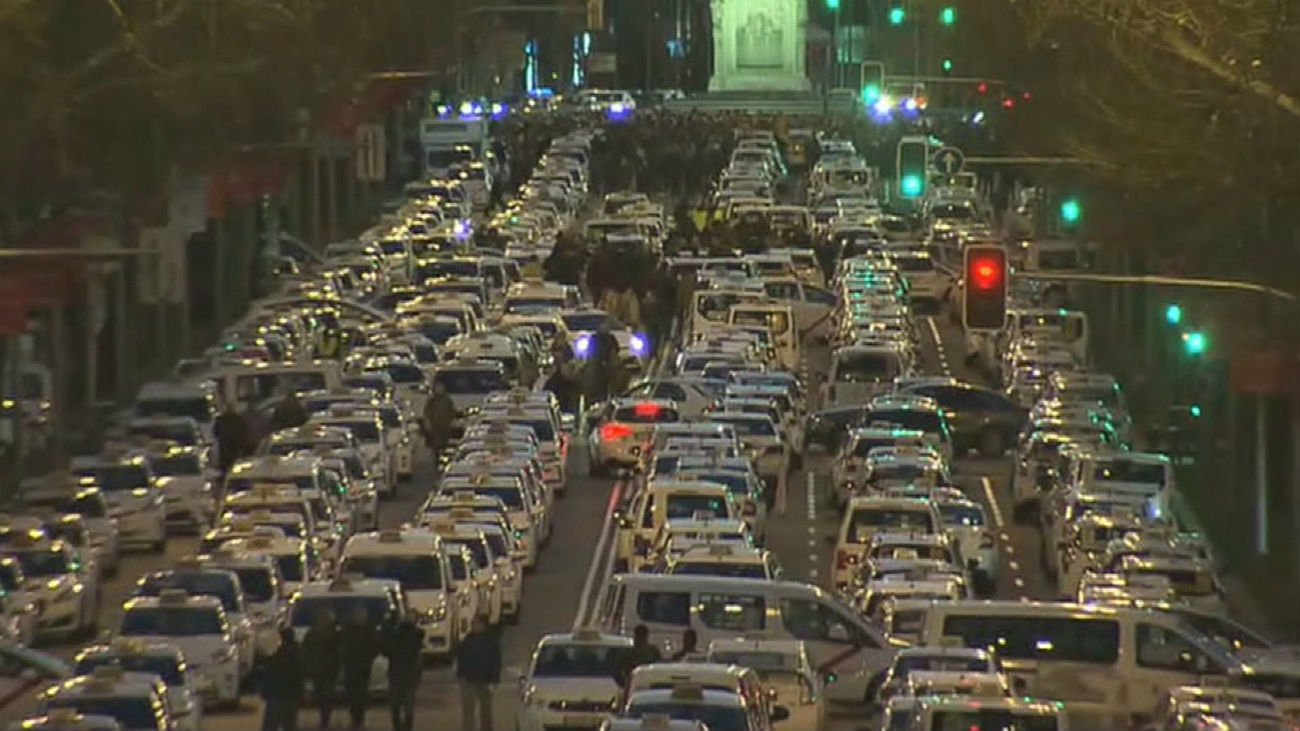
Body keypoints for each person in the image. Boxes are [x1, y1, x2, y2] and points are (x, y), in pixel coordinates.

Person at [455, 616, 500, 731]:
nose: (473, 626)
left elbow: (496, 661)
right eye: (473, 624)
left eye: (475, 624)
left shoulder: (491, 641)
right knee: (468, 710)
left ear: (482, 625)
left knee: (486, 711)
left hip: (485, 680)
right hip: (468, 679)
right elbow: (460, 656)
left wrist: (494, 681)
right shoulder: (468, 640)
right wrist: (460, 674)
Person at [340, 606, 381, 729]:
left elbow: (376, 645)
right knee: (351, 694)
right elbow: (342, 645)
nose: (359, 617)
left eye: (361, 614)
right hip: (351, 666)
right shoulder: (348, 629)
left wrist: (369, 657)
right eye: (357, 615)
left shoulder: (369, 629)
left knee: (361, 694)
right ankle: (355, 719)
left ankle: (360, 719)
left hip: (363, 666)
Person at [300, 609, 341, 729]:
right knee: (323, 697)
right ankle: (324, 720)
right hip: (321, 670)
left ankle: (325, 720)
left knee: (325, 697)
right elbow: (305, 651)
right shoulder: (313, 634)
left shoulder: (333, 634)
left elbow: (338, 652)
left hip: (326, 670)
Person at [385, 616, 424, 731]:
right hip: (410, 673)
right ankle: (407, 727)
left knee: (395, 703)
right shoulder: (416, 635)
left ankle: (397, 727)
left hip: (396, 672)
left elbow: (387, 650)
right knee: (408, 704)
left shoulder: (394, 635)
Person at [261, 628, 303, 731]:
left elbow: (269, 674)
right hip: (290, 695)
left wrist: (265, 692)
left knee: (271, 724)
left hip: (277, 694)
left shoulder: (277, 655)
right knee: (289, 724)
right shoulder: (297, 654)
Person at [422, 381, 456, 458]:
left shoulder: (447, 400)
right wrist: (427, 423)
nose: (439, 389)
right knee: (436, 445)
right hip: (435, 427)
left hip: (445, 426)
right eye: (437, 388)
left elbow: (452, 411)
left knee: (444, 444)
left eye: (440, 388)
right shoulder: (431, 400)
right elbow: (427, 413)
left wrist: (451, 421)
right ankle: (436, 457)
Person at [214, 403, 244, 474]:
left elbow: (216, 432)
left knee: (229, 463)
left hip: (229, 445)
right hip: (231, 445)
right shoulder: (236, 419)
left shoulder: (222, 419)